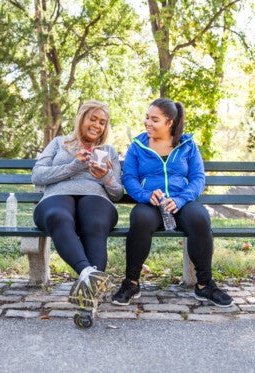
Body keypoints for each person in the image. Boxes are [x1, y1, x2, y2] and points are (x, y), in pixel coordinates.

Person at [111, 98, 233, 307]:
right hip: (151, 203)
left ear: (169, 123)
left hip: (181, 202)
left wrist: (181, 198)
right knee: (139, 219)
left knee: (200, 218)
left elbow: (198, 178)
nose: (147, 122)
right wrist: (144, 195)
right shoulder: (138, 146)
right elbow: (129, 177)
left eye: (154, 119)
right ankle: (131, 283)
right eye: (147, 117)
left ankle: (205, 285)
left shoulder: (187, 145)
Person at [31, 100, 123, 308]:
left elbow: (117, 193)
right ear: (81, 118)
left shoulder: (108, 150)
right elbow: (37, 175)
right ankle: (89, 274)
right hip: (57, 195)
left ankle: (87, 289)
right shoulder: (58, 143)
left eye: (102, 122)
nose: (97, 125)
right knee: (58, 217)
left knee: (95, 223)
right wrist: (73, 166)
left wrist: (106, 176)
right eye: (93, 119)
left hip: (96, 198)